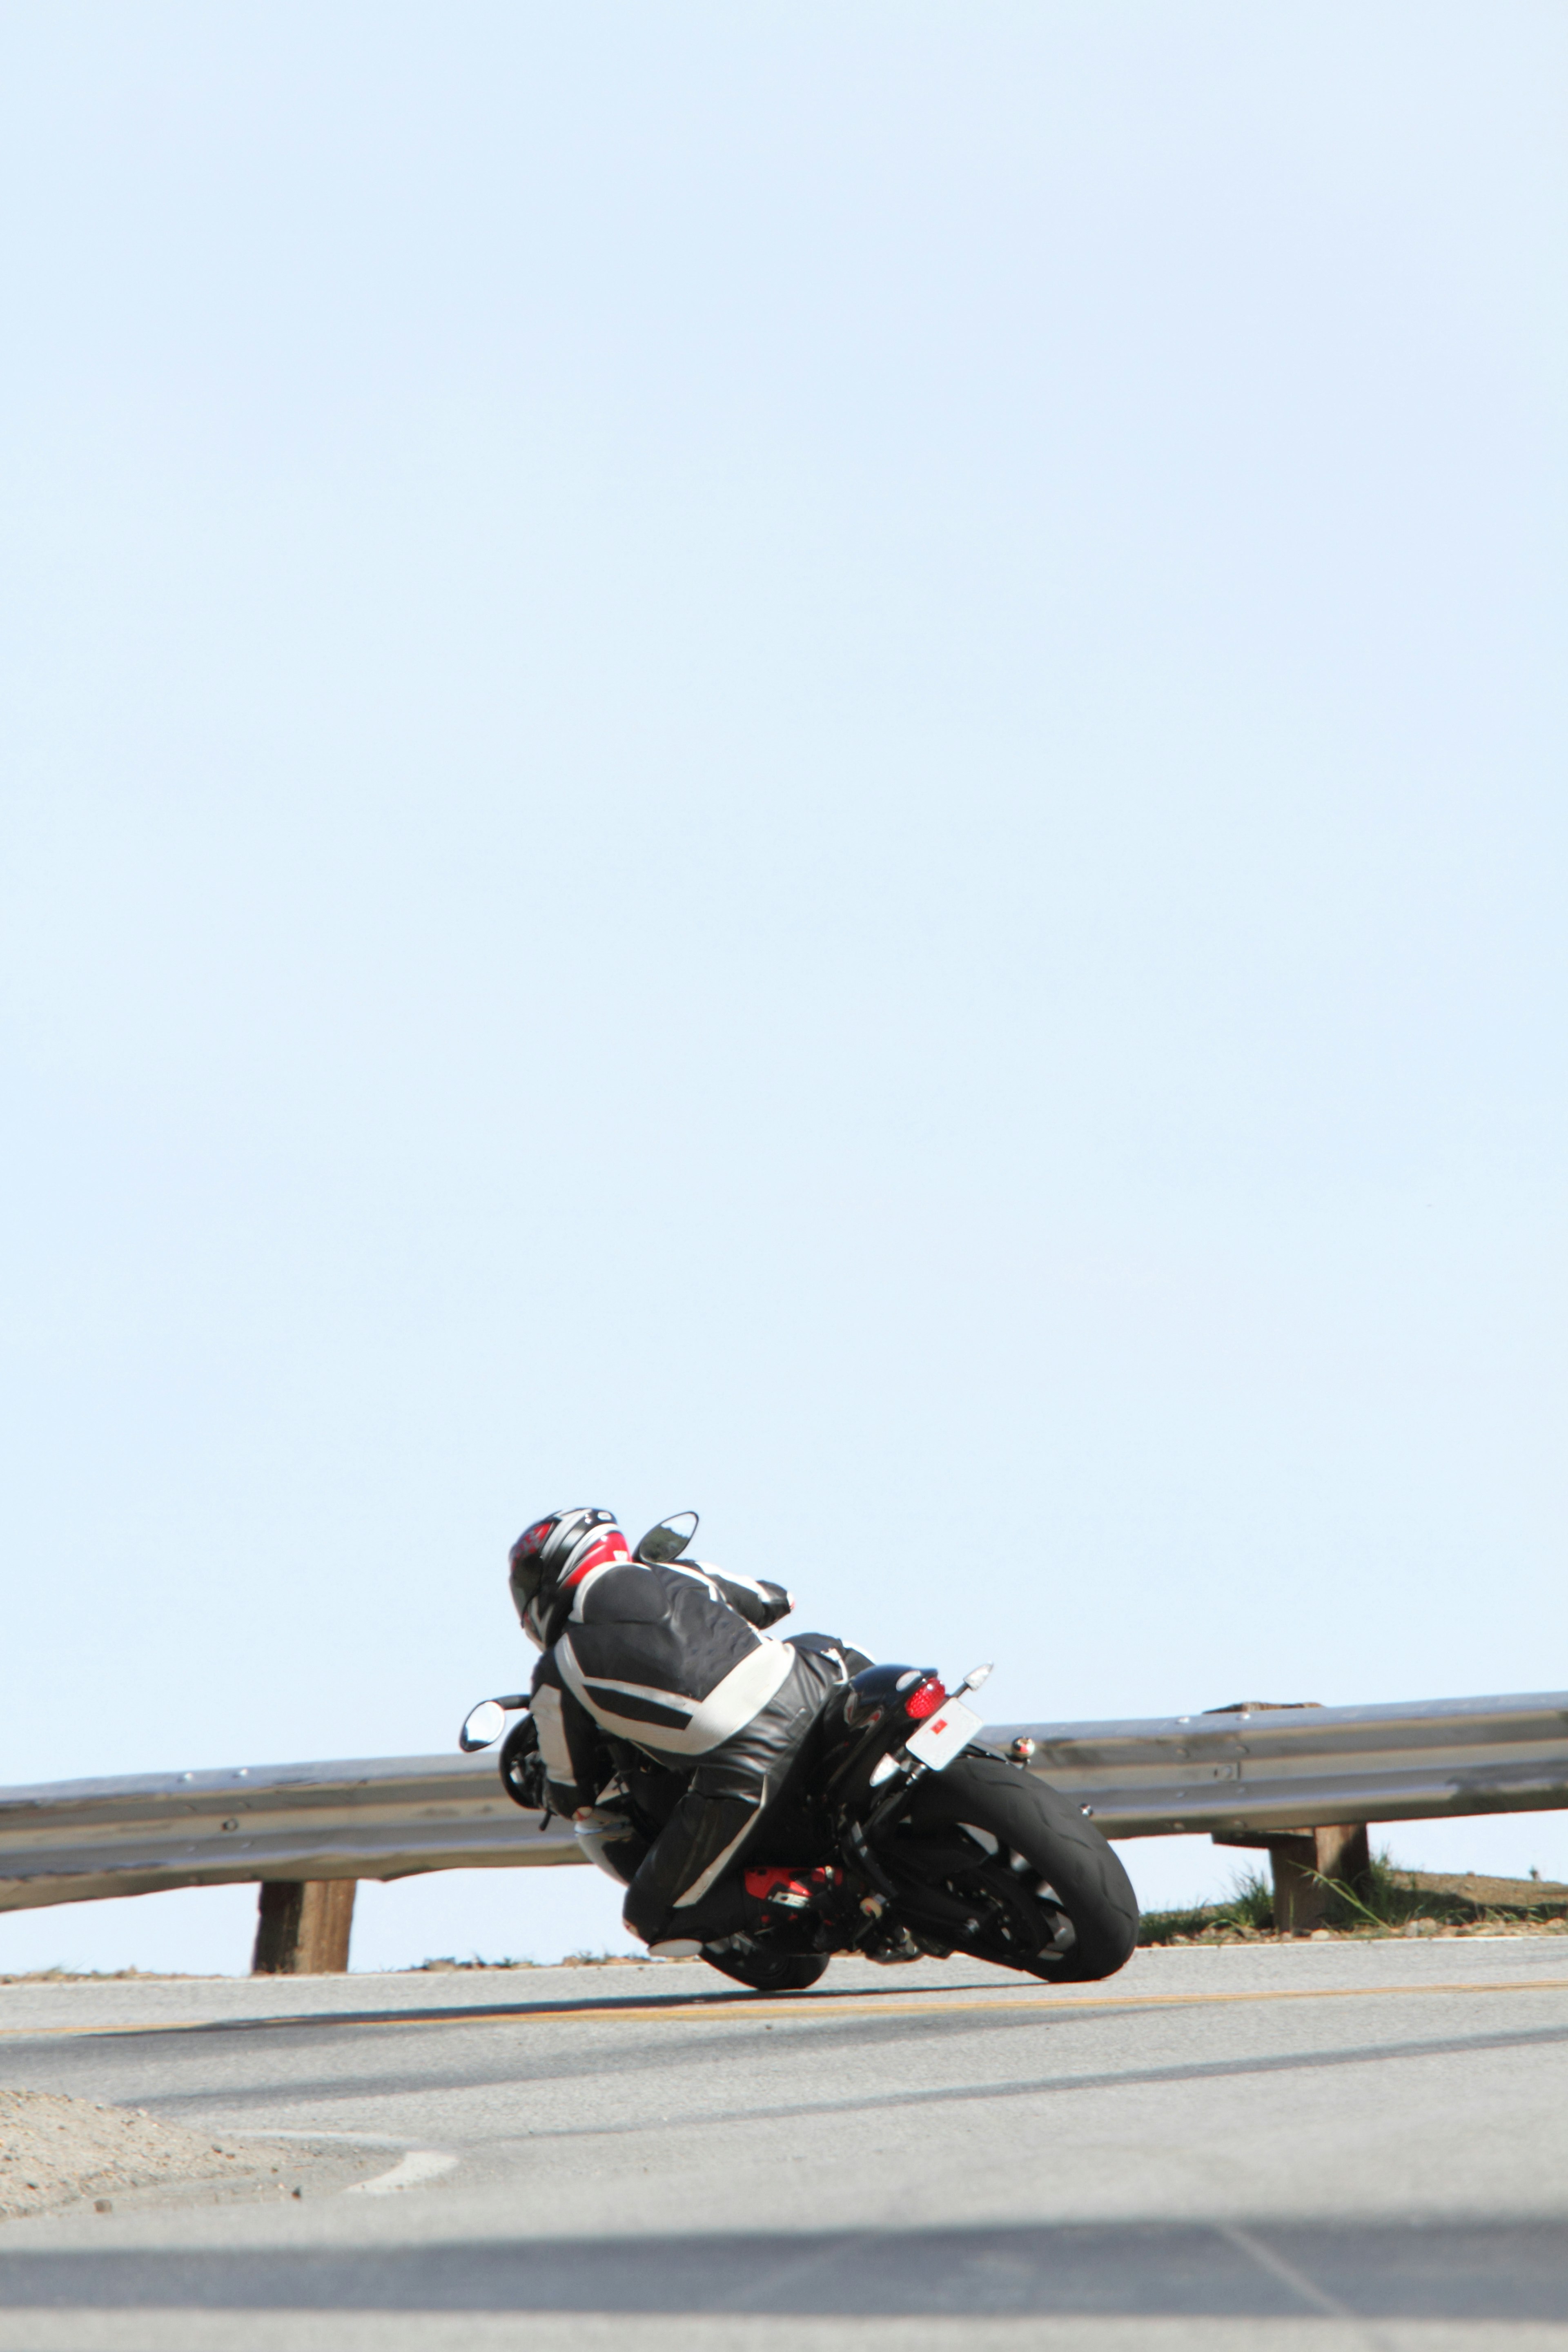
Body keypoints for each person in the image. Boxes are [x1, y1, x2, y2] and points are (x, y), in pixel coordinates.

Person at [507, 1506, 851, 1956]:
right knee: (819, 1644)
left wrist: (554, 1794)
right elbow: (775, 1599)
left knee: (652, 1918)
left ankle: (833, 1890)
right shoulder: (680, 1572)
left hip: (750, 1756)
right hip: (814, 1679)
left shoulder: (559, 1668)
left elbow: (573, 1794)